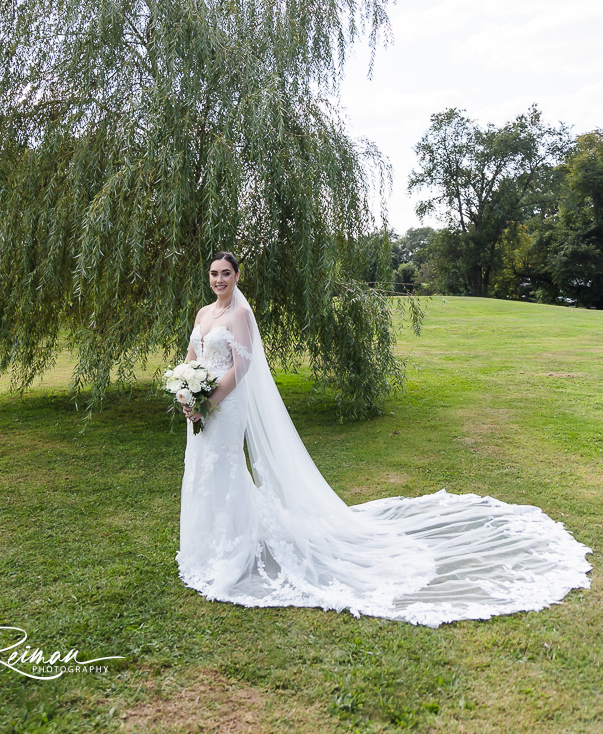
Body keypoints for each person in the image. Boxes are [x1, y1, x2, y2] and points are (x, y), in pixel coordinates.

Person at [176, 251, 592, 626]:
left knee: (227, 469)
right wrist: (185, 391)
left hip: (226, 408)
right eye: (213, 273)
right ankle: (209, 544)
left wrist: (209, 400)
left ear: (237, 275)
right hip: (200, 407)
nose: (218, 280)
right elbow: (192, 358)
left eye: (225, 273)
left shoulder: (240, 316)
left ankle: (232, 549)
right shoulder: (202, 314)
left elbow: (243, 366)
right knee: (201, 471)